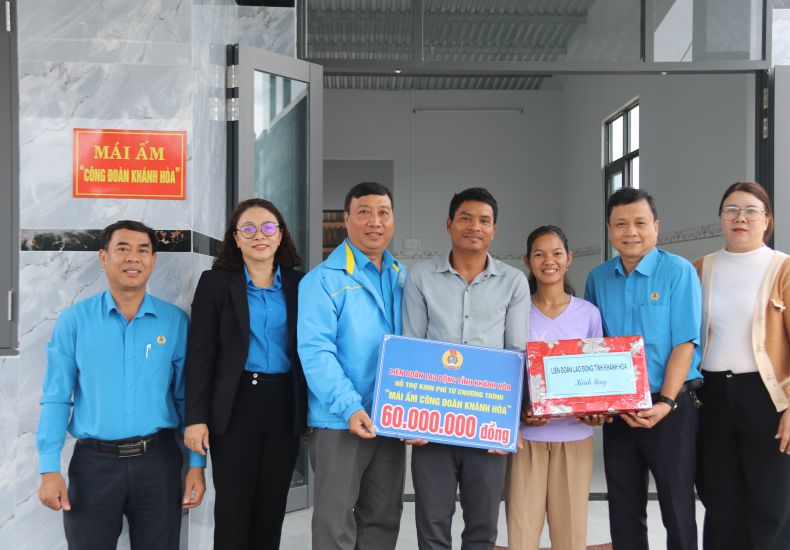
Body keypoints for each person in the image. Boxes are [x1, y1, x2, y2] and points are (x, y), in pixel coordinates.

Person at [36, 220, 206, 550]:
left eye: (143, 251)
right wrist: (48, 470)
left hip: (158, 463)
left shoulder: (174, 322)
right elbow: (57, 397)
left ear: (154, 260)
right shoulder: (75, 321)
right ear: (103, 257)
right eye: (122, 249)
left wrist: (196, 466)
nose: (133, 259)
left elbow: (187, 398)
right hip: (93, 466)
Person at [693, 181, 790, 550]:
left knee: (773, 502)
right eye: (731, 209)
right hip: (711, 397)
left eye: (752, 211)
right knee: (720, 499)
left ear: (768, 221)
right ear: (720, 218)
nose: (741, 218)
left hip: (769, 398)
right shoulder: (699, 269)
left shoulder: (788, 270)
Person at [402, 187, 530, 550]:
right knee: (432, 526)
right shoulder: (420, 277)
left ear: (494, 229)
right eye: (466, 218)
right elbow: (412, 347)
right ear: (449, 224)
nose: (475, 226)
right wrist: (414, 416)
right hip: (433, 424)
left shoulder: (514, 282)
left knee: (482, 528)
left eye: (484, 221)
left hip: (488, 425)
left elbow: (516, 354)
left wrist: (508, 422)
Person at [584, 187, 703, 550]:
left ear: (656, 226)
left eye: (639, 222)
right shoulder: (598, 278)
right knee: (623, 504)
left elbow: (686, 342)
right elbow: (592, 346)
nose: (630, 231)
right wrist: (597, 403)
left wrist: (665, 402)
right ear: (609, 229)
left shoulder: (678, 272)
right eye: (621, 223)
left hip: (671, 406)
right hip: (620, 408)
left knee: (676, 504)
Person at [183, 198, 306, 549]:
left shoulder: (300, 285)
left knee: (271, 509)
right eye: (247, 229)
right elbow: (200, 355)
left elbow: (308, 352)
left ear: (281, 235)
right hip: (236, 406)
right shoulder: (216, 284)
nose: (259, 236)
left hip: (284, 404)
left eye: (268, 228)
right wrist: (196, 418)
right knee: (234, 510)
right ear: (235, 239)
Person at [298, 181, 407, 550]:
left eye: (383, 213)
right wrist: (349, 406)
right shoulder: (323, 281)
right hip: (340, 420)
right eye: (364, 212)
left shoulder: (402, 277)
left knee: (383, 518)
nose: (374, 221)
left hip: (390, 419)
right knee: (335, 521)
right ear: (346, 220)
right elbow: (316, 353)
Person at [506, 225, 602, 550]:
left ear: (569, 258)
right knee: (521, 536)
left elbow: (597, 378)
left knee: (571, 537)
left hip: (574, 439)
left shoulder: (588, 314)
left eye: (557, 253)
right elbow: (506, 370)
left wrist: (596, 412)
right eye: (539, 253)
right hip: (525, 440)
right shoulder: (515, 312)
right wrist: (520, 410)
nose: (549, 260)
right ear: (527, 260)